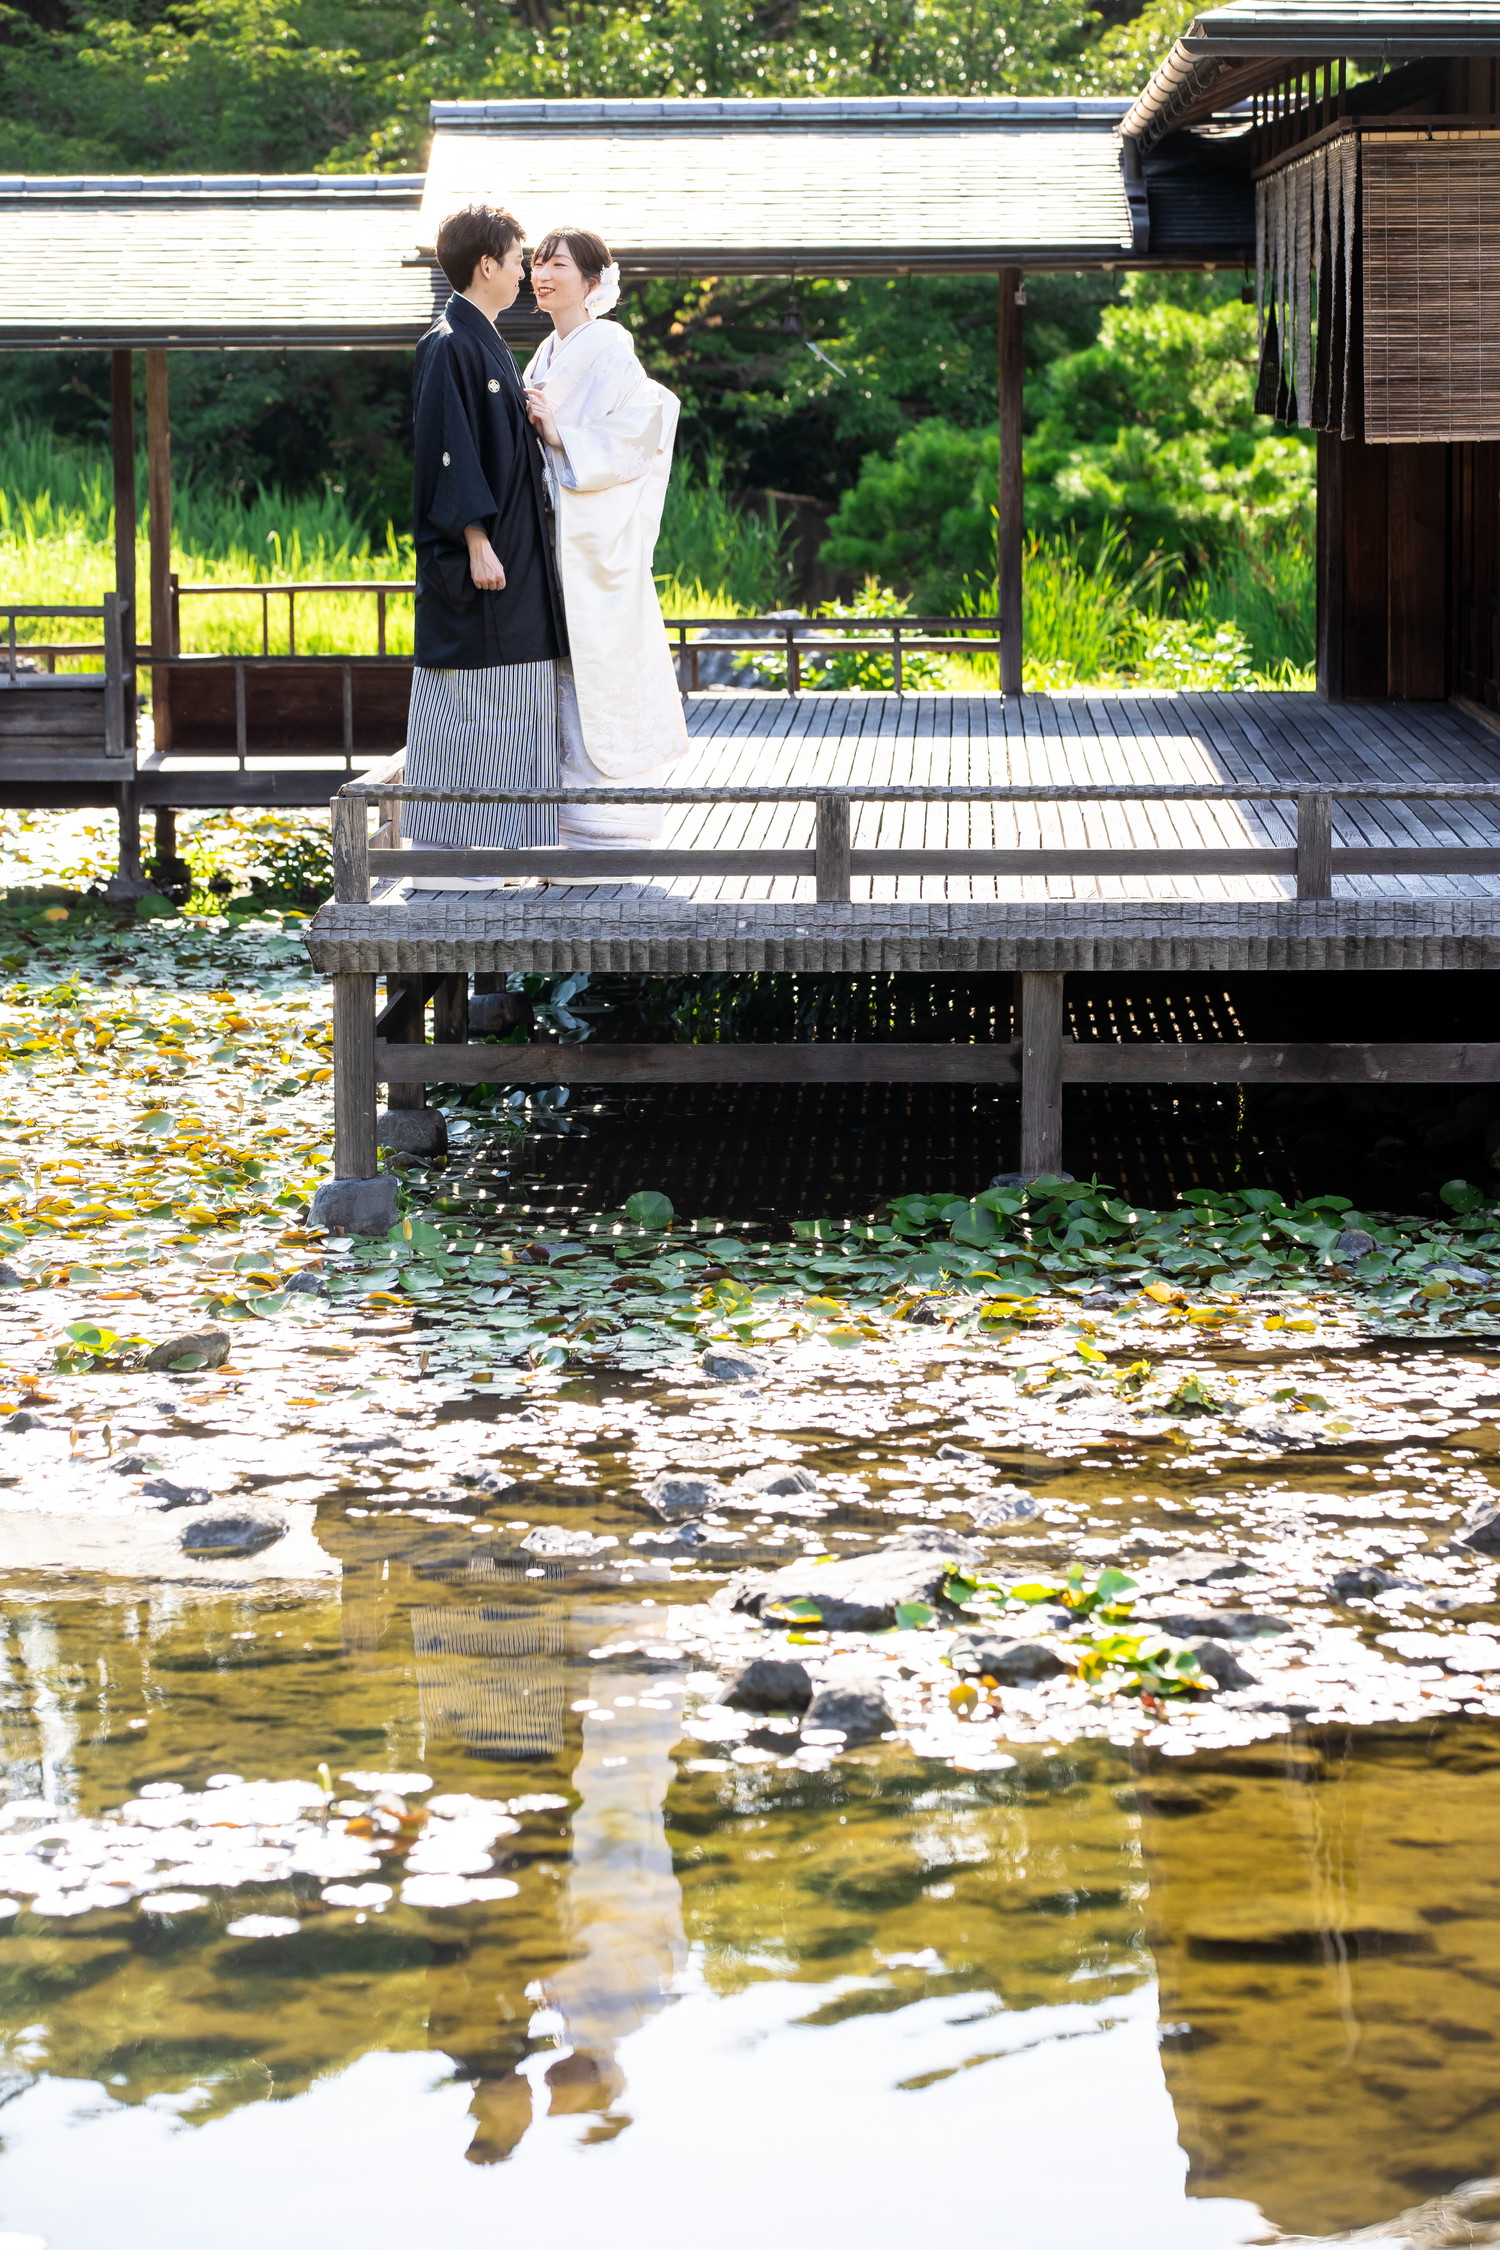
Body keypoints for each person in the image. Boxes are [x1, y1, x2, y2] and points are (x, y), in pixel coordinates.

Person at [405, 204, 567, 853]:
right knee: (477, 711)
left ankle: (508, 849)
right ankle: (463, 853)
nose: (526, 271)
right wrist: (474, 540)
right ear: (486, 265)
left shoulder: (487, 341)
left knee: (515, 708)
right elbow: (449, 451)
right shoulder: (449, 343)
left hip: (514, 567)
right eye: (520, 258)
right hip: (484, 569)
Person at [523, 227, 689, 848]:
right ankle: (569, 821)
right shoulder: (548, 350)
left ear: (593, 282)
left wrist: (561, 435)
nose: (542, 272)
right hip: (557, 539)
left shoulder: (610, 347)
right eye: (538, 262)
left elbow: (639, 430)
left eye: (558, 264)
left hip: (594, 544)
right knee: (566, 673)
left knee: (602, 669)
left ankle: (612, 826)